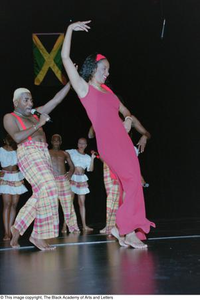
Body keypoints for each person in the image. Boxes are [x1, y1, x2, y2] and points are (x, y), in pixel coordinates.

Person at [61, 21, 155, 249]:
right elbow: (65, 59)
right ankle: (126, 228)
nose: (108, 73)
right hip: (109, 143)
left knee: (131, 182)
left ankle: (121, 229)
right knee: (132, 180)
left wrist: (129, 120)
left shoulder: (109, 91)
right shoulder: (84, 89)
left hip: (124, 140)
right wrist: (71, 29)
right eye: (104, 69)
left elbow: (125, 112)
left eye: (109, 70)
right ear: (93, 68)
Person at [3, 82, 71, 250]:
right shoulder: (10, 117)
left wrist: (70, 82)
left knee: (42, 192)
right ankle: (37, 236)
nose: (30, 104)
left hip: (43, 154)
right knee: (49, 186)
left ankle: (17, 228)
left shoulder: (36, 114)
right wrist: (39, 124)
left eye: (31, 100)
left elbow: (56, 100)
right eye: (26, 100)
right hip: (27, 152)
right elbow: (18, 137)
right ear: (16, 102)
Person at [49, 134, 80, 233]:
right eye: (54, 141)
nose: (56, 142)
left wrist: (70, 173)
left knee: (68, 204)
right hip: (52, 180)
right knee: (52, 205)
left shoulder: (64, 153)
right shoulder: (47, 152)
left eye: (58, 141)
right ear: (51, 141)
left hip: (63, 180)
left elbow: (72, 166)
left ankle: (73, 227)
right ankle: (51, 229)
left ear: (61, 142)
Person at [0, 134, 28, 241]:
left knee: (14, 205)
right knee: (7, 204)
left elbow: (23, 164)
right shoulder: (1, 150)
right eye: (8, 139)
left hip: (16, 177)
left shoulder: (18, 150)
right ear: (5, 140)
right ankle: (6, 232)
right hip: (5, 177)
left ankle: (11, 230)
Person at [66, 138, 96, 231]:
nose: (81, 145)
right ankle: (65, 226)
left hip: (81, 179)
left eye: (83, 143)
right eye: (80, 143)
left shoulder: (87, 157)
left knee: (82, 203)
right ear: (77, 143)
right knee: (69, 203)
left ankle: (84, 226)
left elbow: (90, 169)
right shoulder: (71, 152)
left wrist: (92, 158)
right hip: (72, 178)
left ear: (86, 145)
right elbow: (62, 158)